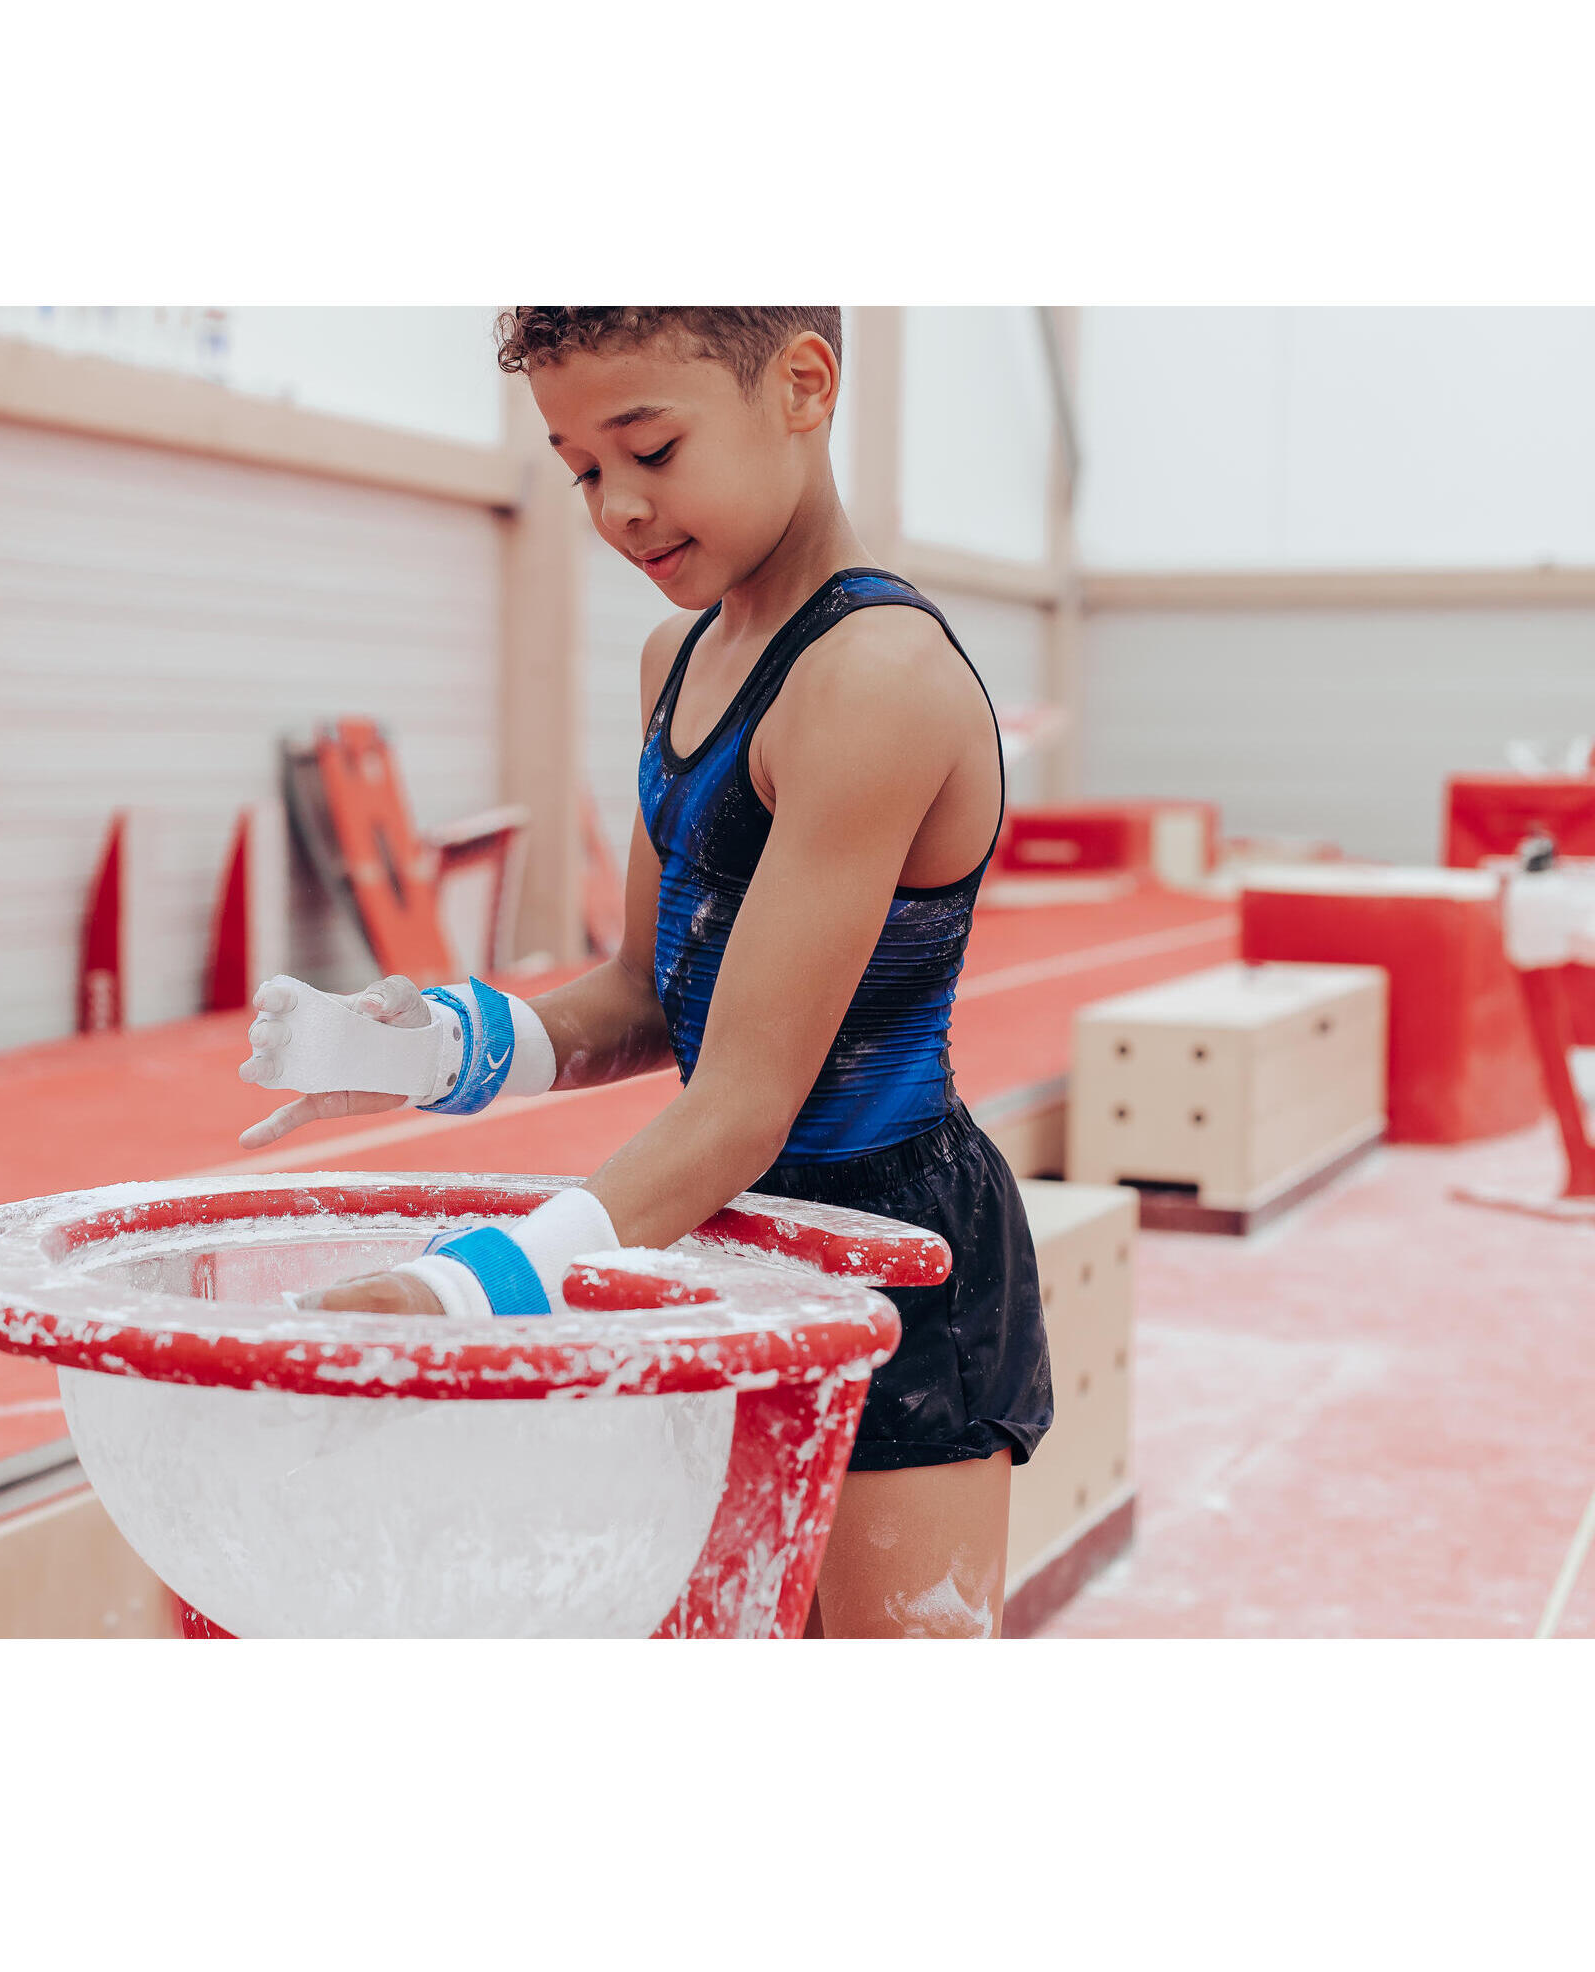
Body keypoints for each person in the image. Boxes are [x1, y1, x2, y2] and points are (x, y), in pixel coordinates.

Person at [239, 307, 1050, 1638]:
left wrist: (471, 1289)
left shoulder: (877, 681)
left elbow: (743, 1098)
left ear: (802, 385)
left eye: (651, 449)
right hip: (710, 1222)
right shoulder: (675, 661)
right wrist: (431, 1047)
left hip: (901, 1249)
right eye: (578, 470)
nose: (616, 507)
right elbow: (644, 993)